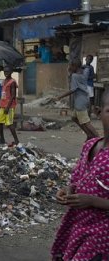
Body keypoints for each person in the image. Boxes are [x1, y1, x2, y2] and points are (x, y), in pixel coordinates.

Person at [51, 90, 109, 261]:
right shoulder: (90, 145)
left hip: (102, 234)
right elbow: (77, 179)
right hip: (78, 224)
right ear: (98, 112)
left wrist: (93, 201)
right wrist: (68, 190)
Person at [53, 59, 98, 141]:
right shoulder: (84, 72)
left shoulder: (74, 76)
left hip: (80, 101)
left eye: (71, 66)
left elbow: (73, 90)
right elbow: (86, 67)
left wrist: (60, 97)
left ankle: (98, 139)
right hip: (85, 98)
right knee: (74, 118)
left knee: (86, 122)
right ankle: (89, 134)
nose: (69, 67)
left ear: (75, 66)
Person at [0, 66, 19, 145]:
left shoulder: (12, 82)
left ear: (11, 72)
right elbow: (3, 94)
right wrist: (1, 106)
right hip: (3, 104)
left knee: (9, 123)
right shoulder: (4, 81)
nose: (6, 73)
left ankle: (16, 141)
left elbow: (13, 96)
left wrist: (7, 107)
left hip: (9, 106)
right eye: (4, 72)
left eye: (7, 72)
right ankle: (2, 139)